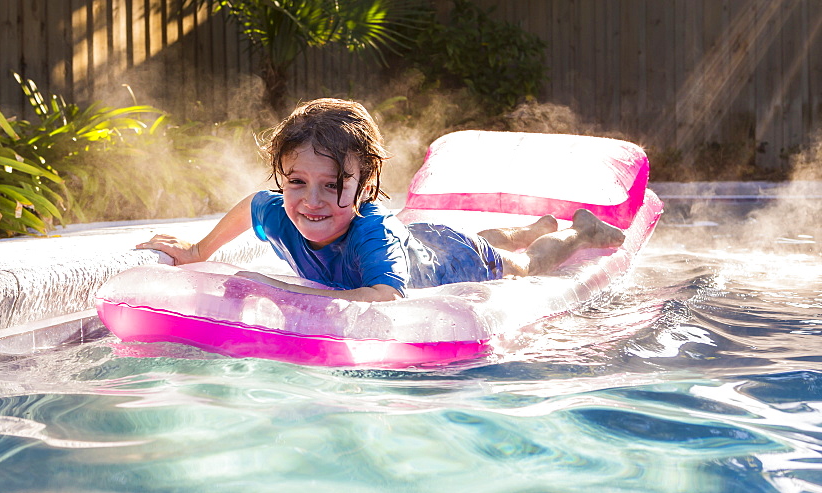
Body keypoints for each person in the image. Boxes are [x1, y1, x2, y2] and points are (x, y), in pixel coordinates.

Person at [137, 98, 625, 302]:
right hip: (428, 242)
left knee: (520, 264)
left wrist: (273, 288)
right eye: (297, 182)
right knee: (488, 238)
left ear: (365, 186)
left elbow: (384, 297)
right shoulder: (281, 209)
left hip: (451, 262)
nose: (311, 201)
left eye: (332, 185)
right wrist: (200, 251)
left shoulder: (370, 233)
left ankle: (574, 232)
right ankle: (534, 225)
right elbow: (252, 204)